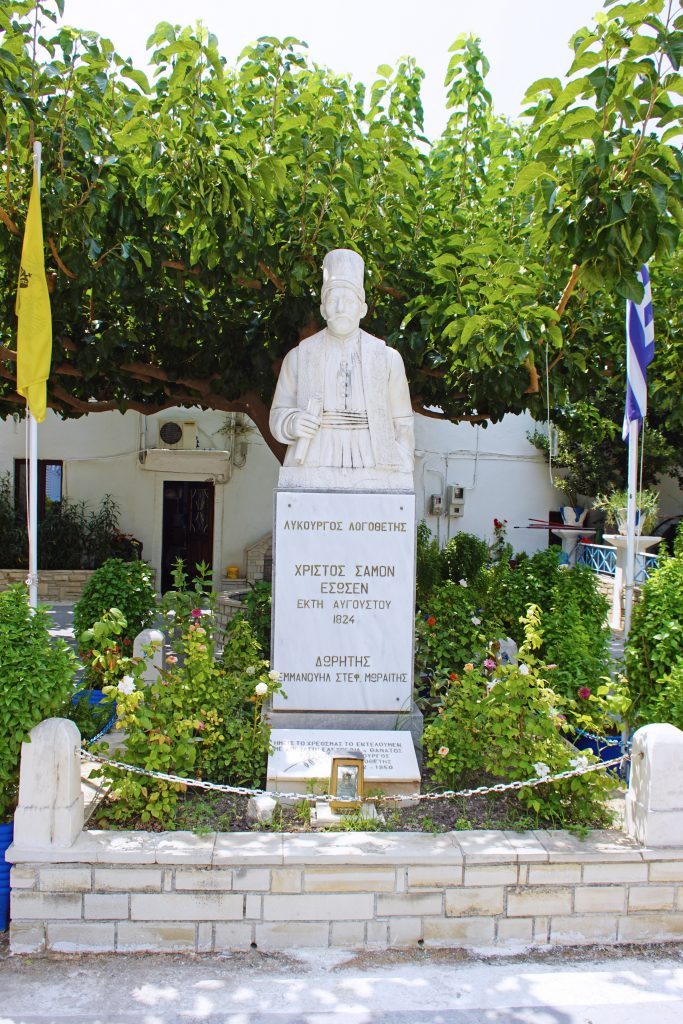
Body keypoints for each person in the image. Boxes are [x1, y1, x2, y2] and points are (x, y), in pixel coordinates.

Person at [269, 248, 415, 490]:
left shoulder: (388, 359)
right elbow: (278, 413)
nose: (340, 308)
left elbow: (402, 421)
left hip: (373, 456)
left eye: (348, 300)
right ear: (323, 309)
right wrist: (292, 422)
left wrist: (401, 459)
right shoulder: (299, 357)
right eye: (333, 300)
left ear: (363, 309)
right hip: (316, 454)